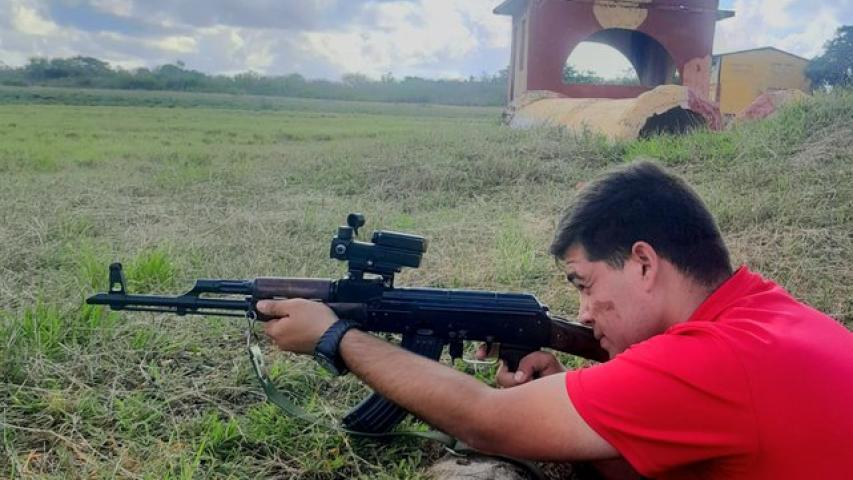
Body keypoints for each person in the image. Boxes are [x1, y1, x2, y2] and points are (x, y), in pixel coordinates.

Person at [258, 161, 853, 479]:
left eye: (584, 284)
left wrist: (336, 336)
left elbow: (485, 421)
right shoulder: (766, 314)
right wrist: (574, 408)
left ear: (644, 263)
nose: (584, 312)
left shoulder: (711, 359)